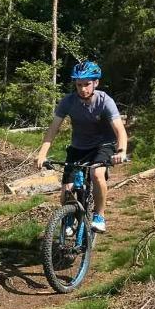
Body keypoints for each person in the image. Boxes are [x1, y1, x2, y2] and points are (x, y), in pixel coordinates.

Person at [36, 61, 128, 232]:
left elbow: (120, 131)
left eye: (87, 84)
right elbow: (52, 130)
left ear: (96, 83)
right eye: (79, 85)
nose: (83, 89)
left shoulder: (104, 101)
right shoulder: (68, 102)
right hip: (78, 147)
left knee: (97, 173)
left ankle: (99, 215)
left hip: (103, 145)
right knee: (66, 192)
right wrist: (42, 154)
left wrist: (121, 151)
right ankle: (69, 217)